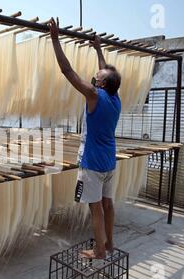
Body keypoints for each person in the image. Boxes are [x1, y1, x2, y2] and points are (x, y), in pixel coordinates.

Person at [49, 18, 122, 259]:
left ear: (100, 83)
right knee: (108, 204)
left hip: (91, 164)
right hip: (110, 162)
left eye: (96, 76)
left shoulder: (93, 95)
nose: (93, 77)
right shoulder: (114, 98)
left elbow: (67, 71)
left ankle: (99, 250)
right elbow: (107, 73)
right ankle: (109, 243)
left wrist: (56, 39)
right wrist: (99, 49)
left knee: (96, 208)